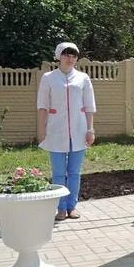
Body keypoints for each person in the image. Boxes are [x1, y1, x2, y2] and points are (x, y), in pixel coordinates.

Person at [37, 42, 96, 220]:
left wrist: (90, 129)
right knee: (58, 173)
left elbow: (89, 105)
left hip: (79, 130)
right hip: (55, 130)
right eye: (66, 55)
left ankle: (72, 206)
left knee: (75, 172)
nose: (70, 59)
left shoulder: (83, 78)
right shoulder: (48, 77)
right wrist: (41, 131)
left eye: (73, 55)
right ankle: (60, 207)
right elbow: (42, 106)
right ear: (58, 56)